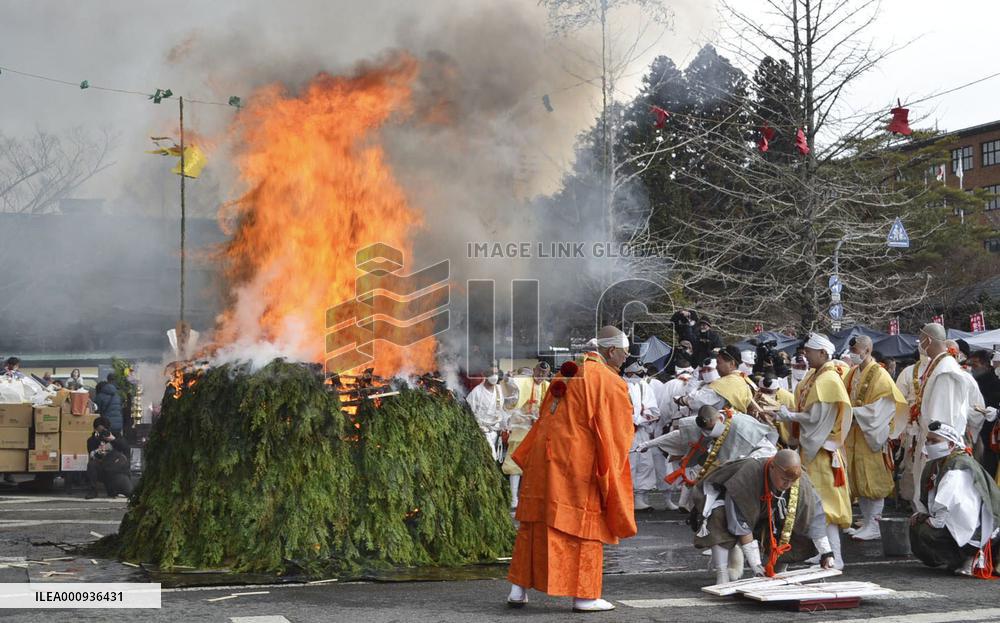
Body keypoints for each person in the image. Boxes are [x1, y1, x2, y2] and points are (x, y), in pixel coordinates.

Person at [507, 326, 636, 612]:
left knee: (534, 524)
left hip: (545, 458)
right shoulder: (606, 380)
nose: (626, 358)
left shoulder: (568, 371)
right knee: (584, 525)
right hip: (577, 463)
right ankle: (585, 596)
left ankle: (518, 590)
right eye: (625, 353)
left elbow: (545, 415)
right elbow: (617, 431)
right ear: (611, 350)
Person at [691, 449, 836, 585]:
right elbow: (740, 520)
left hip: (772, 510)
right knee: (718, 517)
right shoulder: (748, 474)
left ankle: (780, 571)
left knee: (797, 524)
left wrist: (826, 553)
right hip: (735, 508)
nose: (788, 484)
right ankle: (722, 574)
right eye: (784, 479)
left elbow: (814, 516)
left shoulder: (801, 483)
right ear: (772, 467)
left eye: (792, 481)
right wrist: (755, 564)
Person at [775, 333, 853, 569]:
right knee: (815, 502)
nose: (805, 355)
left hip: (821, 449)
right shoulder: (818, 375)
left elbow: (815, 418)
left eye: (808, 351)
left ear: (822, 353)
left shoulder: (827, 379)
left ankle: (835, 555)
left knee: (825, 504)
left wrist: (790, 416)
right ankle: (823, 551)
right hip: (815, 448)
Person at [894, 324, 976, 511]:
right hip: (929, 439)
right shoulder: (939, 365)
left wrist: (933, 445)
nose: (919, 344)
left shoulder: (945, 370)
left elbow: (942, 416)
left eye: (921, 339)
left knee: (935, 495)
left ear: (928, 340)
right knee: (924, 490)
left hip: (938, 445)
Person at [910, 421, 1000, 577]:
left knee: (925, 530)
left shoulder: (958, 467)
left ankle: (969, 558)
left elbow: (941, 512)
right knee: (918, 524)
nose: (929, 444)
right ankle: (961, 557)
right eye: (928, 440)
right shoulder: (938, 463)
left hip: (978, 533)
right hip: (961, 526)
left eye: (935, 441)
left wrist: (926, 519)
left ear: (951, 444)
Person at [842, 335, 908, 541]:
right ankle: (867, 522)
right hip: (854, 434)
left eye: (856, 351)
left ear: (867, 350)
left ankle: (875, 524)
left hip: (871, 434)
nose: (853, 355)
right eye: (852, 350)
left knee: (874, 479)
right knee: (859, 480)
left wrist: (854, 414)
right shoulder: (852, 372)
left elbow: (883, 407)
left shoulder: (881, 375)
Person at [503, 364, 550, 509]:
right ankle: (513, 498)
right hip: (520, 426)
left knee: (535, 465)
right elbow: (511, 386)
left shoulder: (547, 387)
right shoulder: (524, 381)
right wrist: (507, 377)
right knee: (514, 463)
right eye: (539, 372)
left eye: (544, 373)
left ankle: (530, 497)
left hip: (536, 429)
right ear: (534, 371)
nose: (540, 375)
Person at [623, 359, 660, 511]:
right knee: (628, 464)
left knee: (645, 463)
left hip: (642, 430)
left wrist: (644, 418)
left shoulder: (644, 386)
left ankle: (640, 498)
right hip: (625, 431)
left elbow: (654, 409)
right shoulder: (620, 384)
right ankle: (625, 498)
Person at [681, 345, 756, 414]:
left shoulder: (724, 383)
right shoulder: (742, 379)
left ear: (731, 364)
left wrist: (683, 400)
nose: (716, 367)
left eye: (719, 363)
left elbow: (697, 401)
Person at [969, 351, 1000, 477]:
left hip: (990, 429)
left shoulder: (991, 381)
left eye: (975, 365)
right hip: (987, 429)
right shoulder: (979, 380)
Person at [85, 417, 132, 499]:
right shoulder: (91, 440)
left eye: (104, 430)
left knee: (128, 492)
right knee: (91, 465)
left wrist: (113, 440)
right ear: (95, 429)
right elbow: (92, 455)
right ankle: (93, 491)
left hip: (116, 469)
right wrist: (98, 452)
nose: (102, 433)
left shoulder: (115, 435)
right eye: (100, 430)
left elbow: (126, 448)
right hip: (102, 468)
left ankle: (114, 489)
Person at [466, 366, 506, 462]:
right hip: (481, 430)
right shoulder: (477, 392)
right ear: (486, 375)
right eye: (492, 373)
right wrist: (476, 426)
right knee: (490, 457)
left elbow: (504, 408)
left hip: (495, 430)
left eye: (496, 374)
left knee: (492, 458)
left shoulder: (500, 390)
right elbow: (468, 411)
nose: (494, 376)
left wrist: (504, 424)